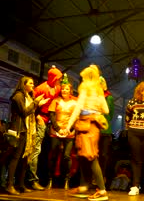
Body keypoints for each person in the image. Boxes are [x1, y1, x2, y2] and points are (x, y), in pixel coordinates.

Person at [63, 64, 110, 201]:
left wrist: (68, 126)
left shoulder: (85, 88)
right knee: (84, 156)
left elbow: (77, 109)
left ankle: (102, 191)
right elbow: (106, 110)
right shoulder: (99, 90)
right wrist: (96, 111)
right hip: (93, 126)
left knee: (90, 156)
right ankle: (84, 187)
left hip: (85, 125)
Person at [5, 76, 46, 195]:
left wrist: (37, 103)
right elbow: (24, 112)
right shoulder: (18, 96)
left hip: (28, 130)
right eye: (31, 83)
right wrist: (36, 102)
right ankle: (9, 185)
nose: (33, 85)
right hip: (20, 130)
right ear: (24, 84)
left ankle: (21, 184)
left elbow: (30, 110)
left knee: (24, 159)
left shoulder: (28, 96)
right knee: (16, 158)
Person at [31, 65, 63, 190]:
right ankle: (33, 179)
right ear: (53, 78)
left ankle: (41, 178)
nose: (59, 80)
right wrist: (37, 114)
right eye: (58, 78)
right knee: (37, 150)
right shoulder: (40, 88)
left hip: (51, 121)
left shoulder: (57, 87)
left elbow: (66, 92)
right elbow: (31, 103)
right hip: (41, 119)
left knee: (45, 151)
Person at [47, 76, 78, 189]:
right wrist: (57, 128)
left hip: (69, 132)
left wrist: (68, 129)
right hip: (56, 131)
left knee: (66, 156)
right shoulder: (55, 100)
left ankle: (66, 179)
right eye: (63, 89)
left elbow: (76, 117)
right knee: (53, 155)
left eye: (67, 89)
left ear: (71, 91)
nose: (65, 91)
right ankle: (50, 179)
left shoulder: (75, 102)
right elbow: (51, 115)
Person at [98, 76, 114, 185]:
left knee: (104, 155)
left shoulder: (109, 98)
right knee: (93, 155)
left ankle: (102, 177)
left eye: (101, 84)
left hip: (105, 131)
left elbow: (111, 114)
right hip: (93, 130)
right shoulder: (92, 97)